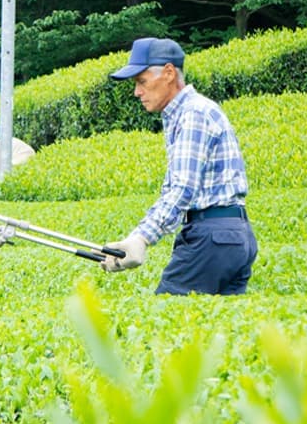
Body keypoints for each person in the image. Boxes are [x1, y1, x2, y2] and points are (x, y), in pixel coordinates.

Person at [100, 37, 258, 295]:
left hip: (212, 238)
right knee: (213, 329)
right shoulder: (183, 113)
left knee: (165, 320)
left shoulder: (192, 113)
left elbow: (183, 188)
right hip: (231, 235)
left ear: (169, 73)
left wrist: (142, 238)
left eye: (142, 81)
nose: (136, 92)